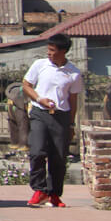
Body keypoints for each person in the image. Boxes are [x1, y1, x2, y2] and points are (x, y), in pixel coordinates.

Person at [22, 33, 83, 207]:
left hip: (61, 116)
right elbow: (26, 85)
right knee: (37, 151)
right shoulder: (40, 65)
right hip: (39, 113)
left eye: (52, 50)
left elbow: (73, 100)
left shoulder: (74, 73)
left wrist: (71, 124)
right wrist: (39, 98)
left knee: (58, 157)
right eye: (48, 49)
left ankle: (54, 194)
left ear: (63, 51)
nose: (48, 53)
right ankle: (39, 190)